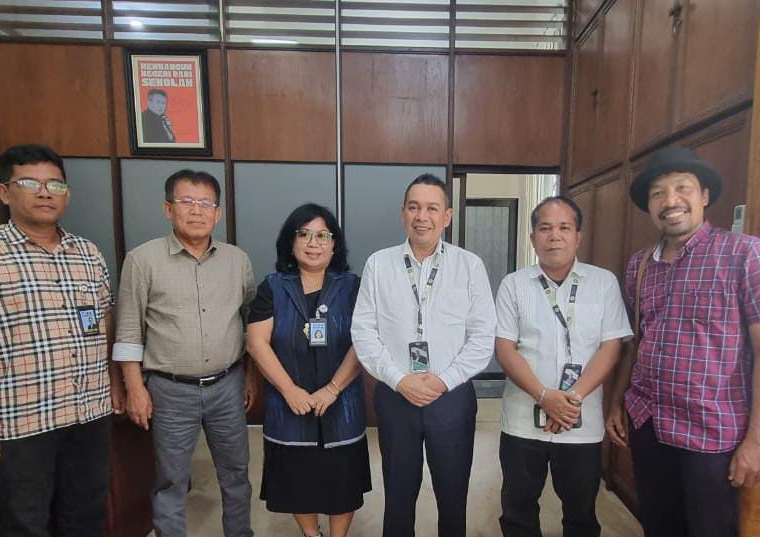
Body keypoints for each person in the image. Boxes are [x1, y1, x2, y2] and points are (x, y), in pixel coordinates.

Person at [0, 144, 124, 537]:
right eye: (30, 183)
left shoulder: (86, 253)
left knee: (86, 515)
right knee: (26, 522)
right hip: (21, 423)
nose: (45, 192)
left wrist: (114, 383)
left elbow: (105, 322)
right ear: (5, 192)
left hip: (88, 413)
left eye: (55, 184)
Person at [606, 147, 760, 537]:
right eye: (658, 193)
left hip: (711, 435)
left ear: (704, 196)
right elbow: (635, 343)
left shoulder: (747, 255)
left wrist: (759, 441)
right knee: (658, 526)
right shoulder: (639, 265)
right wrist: (616, 402)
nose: (670, 200)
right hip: (648, 422)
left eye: (682, 188)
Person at [351, 173, 496, 537]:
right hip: (395, 395)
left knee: (453, 495)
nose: (422, 216)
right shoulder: (378, 264)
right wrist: (400, 380)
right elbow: (363, 331)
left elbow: (482, 337)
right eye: (414, 207)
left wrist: (442, 380)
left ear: (447, 216)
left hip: (452, 397)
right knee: (399, 495)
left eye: (432, 208)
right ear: (403, 213)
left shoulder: (469, 266)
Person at [113, 170, 255, 537]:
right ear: (167, 208)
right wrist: (135, 388)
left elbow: (250, 325)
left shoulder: (237, 261)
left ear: (217, 213)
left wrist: (249, 377)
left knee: (237, 475)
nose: (197, 211)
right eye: (186, 202)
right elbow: (128, 330)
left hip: (228, 384)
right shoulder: (142, 260)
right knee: (171, 480)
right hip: (169, 390)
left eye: (206, 203)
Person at [495, 196, 632, 537]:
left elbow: (611, 346)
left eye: (563, 228)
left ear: (578, 236)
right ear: (532, 238)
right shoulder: (514, 284)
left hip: (580, 421)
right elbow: (504, 348)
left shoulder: (603, 284)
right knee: (518, 510)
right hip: (523, 422)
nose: (554, 236)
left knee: (581, 512)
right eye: (545, 228)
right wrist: (544, 396)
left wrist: (570, 399)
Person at [246, 203, 371, 537]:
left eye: (323, 235)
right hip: (289, 405)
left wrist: (333, 389)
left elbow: (365, 342)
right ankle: (311, 534)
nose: (313, 243)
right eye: (304, 234)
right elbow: (257, 342)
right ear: (291, 241)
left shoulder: (354, 287)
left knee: (342, 483)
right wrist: (289, 390)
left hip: (341, 404)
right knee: (298, 482)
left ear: (335, 244)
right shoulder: (273, 287)